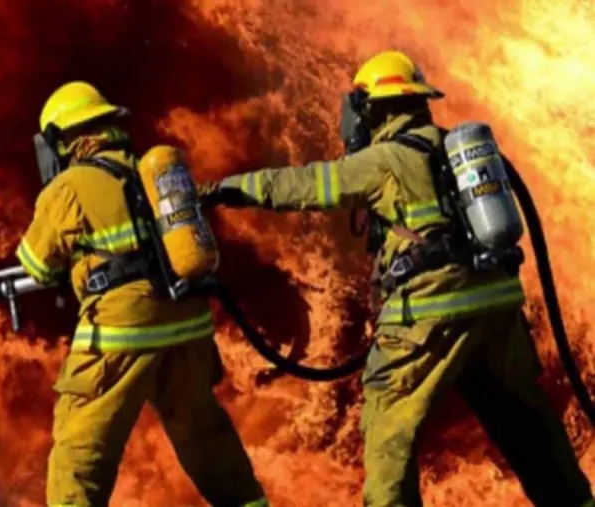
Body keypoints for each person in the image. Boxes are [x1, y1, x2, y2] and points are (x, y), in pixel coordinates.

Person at [197, 50, 594, 506]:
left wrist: (226, 189)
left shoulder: (386, 160)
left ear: (376, 108)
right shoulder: (453, 148)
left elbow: (304, 185)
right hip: (498, 305)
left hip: (432, 309)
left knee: (388, 421)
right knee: (526, 422)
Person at [17, 80, 269, 507]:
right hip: (189, 324)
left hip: (124, 332)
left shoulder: (68, 187)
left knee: (79, 451)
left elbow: (37, 266)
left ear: (62, 138)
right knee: (205, 438)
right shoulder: (148, 172)